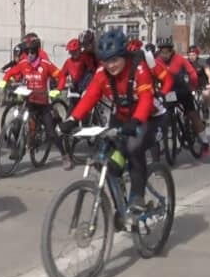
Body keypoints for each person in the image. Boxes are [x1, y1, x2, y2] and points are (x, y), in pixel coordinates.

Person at [62, 29, 156, 218]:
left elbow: (146, 98)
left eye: (114, 60)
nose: (110, 65)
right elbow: (90, 96)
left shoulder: (138, 68)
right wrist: (72, 119)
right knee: (109, 160)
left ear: (123, 55)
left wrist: (136, 121)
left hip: (145, 118)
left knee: (133, 148)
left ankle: (137, 198)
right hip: (120, 118)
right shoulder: (101, 73)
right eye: (105, 61)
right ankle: (121, 207)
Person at [0, 37, 72, 169]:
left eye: (33, 52)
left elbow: (61, 76)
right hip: (29, 101)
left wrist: (58, 90)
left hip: (43, 103)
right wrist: (4, 80)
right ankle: (17, 149)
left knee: (51, 133)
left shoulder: (45, 64)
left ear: (37, 51)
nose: (30, 54)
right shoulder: (23, 64)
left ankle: (64, 155)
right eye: (28, 52)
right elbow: (11, 72)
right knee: (16, 124)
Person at [158, 41, 210, 155]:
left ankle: (205, 141)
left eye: (167, 52)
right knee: (160, 115)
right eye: (163, 52)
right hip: (167, 92)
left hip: (182, 90)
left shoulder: (180, 59)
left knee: (192, 114)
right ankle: (161, 144)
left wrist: (193, 86)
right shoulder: (157, 61)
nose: (165, 55)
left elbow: (192, 74)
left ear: (172, 51)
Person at [56, 38, 96, 110]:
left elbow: (93, 71)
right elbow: (62, 76)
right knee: (71, 110)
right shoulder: (68, 62)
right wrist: (59, 88)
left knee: (85, 110)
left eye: (75, 51)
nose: (73, 54)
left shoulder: (85, 57)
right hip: (75, 88)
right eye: (71, 52)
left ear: (79, 50)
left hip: (86, 87)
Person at [187, 45, 210, 124]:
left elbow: (209, 74)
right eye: (190, 55)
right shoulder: (185, 63)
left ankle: (205, 109)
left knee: (206, 94)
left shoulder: (202, 62)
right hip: (189, 86)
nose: (191, 57)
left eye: (193, 55)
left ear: (197, 55)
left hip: (202, 86)